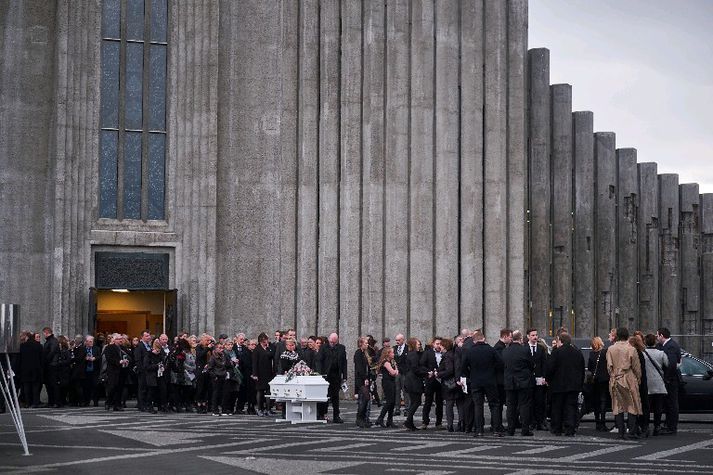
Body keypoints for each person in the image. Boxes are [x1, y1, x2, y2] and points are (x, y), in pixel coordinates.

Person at [460, 329, 504, 437]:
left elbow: (463, 367)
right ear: (484, 339)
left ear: (474, 340)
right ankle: (496, 430)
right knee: (494, 405)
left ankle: (479, 430)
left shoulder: (469, 351)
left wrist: (470, 374)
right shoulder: (491, 350)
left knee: (478, 406)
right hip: (490, 380)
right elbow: (501, 363)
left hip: (475, 381)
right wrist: (492, 370)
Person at [546, 333, 585, 436]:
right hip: (573, 386)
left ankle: (557, 428)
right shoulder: (577, 353)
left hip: (558, 385)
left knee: (557, 408)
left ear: (560, 341)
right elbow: (582, 370)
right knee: (571, 407)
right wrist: (580, 384)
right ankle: (570, 429)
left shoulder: (556, 353)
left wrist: (548, 380)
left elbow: (550, 368)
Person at [606, 327, 642, 439]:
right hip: (628, 377)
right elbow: (636, 367)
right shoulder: (631, 349)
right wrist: (638, 379)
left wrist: (613, 375)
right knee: (632, 404)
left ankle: (620, 432)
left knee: (617, 405)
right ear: (627, 336)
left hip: (615, 377)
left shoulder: (611, 349)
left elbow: (608, 367)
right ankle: (631, 431)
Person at [502, 330, 534, 436]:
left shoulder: (505, 351)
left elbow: (504, 366)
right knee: (524, 405)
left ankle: (510, 429)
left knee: (511, 406)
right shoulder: (525, 350)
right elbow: (531, 364)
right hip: (523, 381)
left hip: (510, 382)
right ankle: (525, 429)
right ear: (521, 339)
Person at [315, 333, 348, 423]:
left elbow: (344, 363)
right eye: (331, 342)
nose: (332, 343)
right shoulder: (324, 347)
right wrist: (320, 373)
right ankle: (323, 414)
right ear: (329, 340)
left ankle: (336, 415)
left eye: (334, 342)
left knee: (335, 397)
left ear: (337, 341)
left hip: (336, 375)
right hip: (326, 375)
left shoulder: (341, 348)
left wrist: (344, 376)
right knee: (325, 396)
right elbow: (319, 361)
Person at [656, 327, 681, 435]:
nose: (657, 338)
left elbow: (671, 365)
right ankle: (669, 425)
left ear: (662, 336)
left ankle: (671, 426)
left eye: (657, 335)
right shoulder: (667, 345)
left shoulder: (670, 346)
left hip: (671, 380)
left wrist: (666, 378)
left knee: (672, 403)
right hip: (670, 379)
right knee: (669, 403)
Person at [643, 333, 668, 436]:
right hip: (658, 383)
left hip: (647, 384)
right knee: (658, 408)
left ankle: (646, 427)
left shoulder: (642, 354)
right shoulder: (661, 353)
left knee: (646, 408)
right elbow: (667, 365)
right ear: (655, 342)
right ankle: (657, 427)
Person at [526, 328, 548, 431]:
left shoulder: (541, 349)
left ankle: (540, 422)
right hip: (528, 379)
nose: (535, 337)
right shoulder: (524, 348)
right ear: (528, 336)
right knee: (529, 401)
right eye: (533, 335)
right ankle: (531, 422)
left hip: (539, 379)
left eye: (536, 335)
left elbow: (544, 364)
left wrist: (544, 377)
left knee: (539, 401)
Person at [402, 338, 426, 431]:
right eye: (418, 344)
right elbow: (416, 369)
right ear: (413, 345)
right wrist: (426, 373)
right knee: (416, 402)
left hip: (411, 379)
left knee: (414, 402)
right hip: (413, 381)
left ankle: (410, 422)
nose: (419, 345)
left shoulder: (412, 354)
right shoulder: (414, 355)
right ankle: (408, 421)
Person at [420, 337, 444, 430]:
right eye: (437, 344)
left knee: (440, 402)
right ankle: (425, 422)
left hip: (440, 381)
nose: (439, 345)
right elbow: (422, 364)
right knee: (428, 402)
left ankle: (439, 423)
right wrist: (429, 372)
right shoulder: (428, 353)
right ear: (433, 344)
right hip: (430, 380)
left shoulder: (444, 353)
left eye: (440, 344)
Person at [588, 336, 610, 431]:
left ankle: (597, 421)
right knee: (603, 399)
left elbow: (589, 368)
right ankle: (603, 421)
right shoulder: (605, 352)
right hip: (604, 379)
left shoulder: (591, 354)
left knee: (596, 400)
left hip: (595, 379)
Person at [206, 342, 234, 416]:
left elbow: (230, 366)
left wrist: (228, 374)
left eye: (222, 348)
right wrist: (214, 376)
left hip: (224, 376)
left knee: (225, 394)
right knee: (216, 393)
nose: (221, 350)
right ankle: (215, 410)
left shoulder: (225, 356)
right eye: (219, 348)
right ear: (215, 349)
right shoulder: (213, 357)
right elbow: (210, 368)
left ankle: (224, 409)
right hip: (216, 377)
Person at [437, 338, 459, 432]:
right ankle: (460, 423)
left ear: (445, 346)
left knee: (449, 404)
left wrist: (439, 374)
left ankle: (450, 425)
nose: (439, 347)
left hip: (449, 383)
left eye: (441, 345)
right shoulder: (452, 354)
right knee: (458, 404)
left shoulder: (447, 356)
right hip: (454, 382)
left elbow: (449, 370)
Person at [493, 329, 512, 432]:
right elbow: (501, 363)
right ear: (505, 337)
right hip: (499, 381)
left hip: (500, 380)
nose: (511, 339)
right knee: (499, 404)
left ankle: (497, 424)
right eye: (510, 337)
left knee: (499, 404)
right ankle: (497, 424)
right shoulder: (499, 348)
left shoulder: (501, 347)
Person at [252, 332, 275, 417]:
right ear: (262, 340)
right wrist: (255, 374)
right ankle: (259, 408)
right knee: (260, 391)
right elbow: (254, 363)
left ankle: (268, 409)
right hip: (260, 373)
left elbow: (271, 355)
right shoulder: (257, 350)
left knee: (268, 391)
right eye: (266, 340)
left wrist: (269, 348)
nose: (267, 341)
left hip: (268, 372)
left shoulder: (268, 348)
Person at [104, 334, 129, 411]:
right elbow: (109, 358)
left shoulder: (123, 348)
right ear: (114, 340)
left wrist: (127, 361)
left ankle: (117, 405)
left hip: (122, 371)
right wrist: (119, 361)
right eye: (118, 339)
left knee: (120, 388)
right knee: (112, 387)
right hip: (113, 371)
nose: (120, 340)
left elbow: (129, 356)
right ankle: (108, 402)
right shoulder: (109, 348)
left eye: (121, 338)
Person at [375, 346, 398, 428]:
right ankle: (380, 418)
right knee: (389, 401)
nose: (393, 354)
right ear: (388, 354)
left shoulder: (392, 361)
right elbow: (393, 372)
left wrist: (395, 370)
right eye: (392, 352)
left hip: (392, 381)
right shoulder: (386, 362)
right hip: (387, 382)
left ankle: (390, 420)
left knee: (392, 402)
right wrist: (395, 370)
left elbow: (395, 372)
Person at [18, 331, 43, 408]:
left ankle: (28, 403)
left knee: (26, 387)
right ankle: (35, 403)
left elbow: (20, 359)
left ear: (26, 337)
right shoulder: (38, 346)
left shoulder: (22, 346)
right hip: (36, 369)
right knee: (35, 387)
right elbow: (42, 359)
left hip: (25, 370)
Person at [354, 337, 373, 428]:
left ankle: (363, 418)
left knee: (365, 399)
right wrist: (365, 378)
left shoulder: (365, 353)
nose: (367, 344)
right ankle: (359, 418)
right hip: (360, 380)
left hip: (365, 379)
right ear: (361, 344)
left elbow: (367, 367)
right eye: (365, 343)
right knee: (364, 398)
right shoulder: (358, 353)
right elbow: (360, 368)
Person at [133, 330, 152, 411]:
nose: (149, 337)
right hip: (143, 371)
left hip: (149, 371)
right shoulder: (139, 346)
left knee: (148, 388)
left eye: (149, 335)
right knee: (142, 389)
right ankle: (141, 405)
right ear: (142, 337)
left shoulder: (149, 346)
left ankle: (146, 404)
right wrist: (141, 370)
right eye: (147, 336)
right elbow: (137, 359)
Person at [42, 327, 59, 407]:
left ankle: (55, 402)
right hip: (50, 365)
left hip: (52, 365)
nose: (43, 335)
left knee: (53, 384)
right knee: (49, 384)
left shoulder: (53, 341)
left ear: (46, 332)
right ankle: (51, 401)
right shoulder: (51, 341)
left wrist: (45, 361)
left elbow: (52, 352)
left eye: (43, 333)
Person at [55, 336, 74, 407]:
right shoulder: (59, 351)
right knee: (60, 387)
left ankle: (63, 401)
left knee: (64, 387)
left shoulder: (65, 351)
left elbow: (68, 360)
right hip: (60, 371)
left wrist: (60, 362)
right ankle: (60, 401)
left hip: (65, 371)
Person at [393, 334, 408, 416]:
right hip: (397, 373)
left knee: (406, 391)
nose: (397, 342)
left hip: (405, 373)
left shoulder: (407, 348)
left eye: (398, 340)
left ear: (403, 340)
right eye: (396, 340)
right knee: (397, 391)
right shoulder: (394, 348)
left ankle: (407, 409)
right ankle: (397, 409)